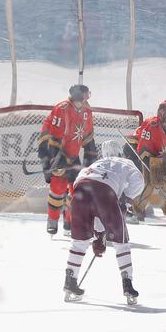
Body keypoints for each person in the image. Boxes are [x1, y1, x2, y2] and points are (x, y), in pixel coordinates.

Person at [63, 139, 144, 305]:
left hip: (79, 191)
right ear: (120, 152)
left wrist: (99, 236)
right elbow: (139, 181)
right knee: (122, 243)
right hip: (105, 191)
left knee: (79, 242)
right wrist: (126, 200)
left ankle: (70, 281)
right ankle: (127, 284)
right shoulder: (125, 162)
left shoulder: (96, 164)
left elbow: (92, 203)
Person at [38, 84, 98, 235]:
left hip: (73, 156)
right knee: (58, 188)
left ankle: (70, 221)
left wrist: (89, 159)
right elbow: (53, 138)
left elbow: (88, 137)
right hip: (55, 153)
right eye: (85, 95)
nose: (87, 98)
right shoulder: (62, 109)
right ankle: (52, 221)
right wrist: (54, 162)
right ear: (79, 95)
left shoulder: (87, 111)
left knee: (77, 190)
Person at [124, 100, 166, 221]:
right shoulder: (152, 124)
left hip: (153, 154)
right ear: (161, 113)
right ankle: (135, 210)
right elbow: (143, 147)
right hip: (135, 149)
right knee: (150, 181)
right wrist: (154, 165)